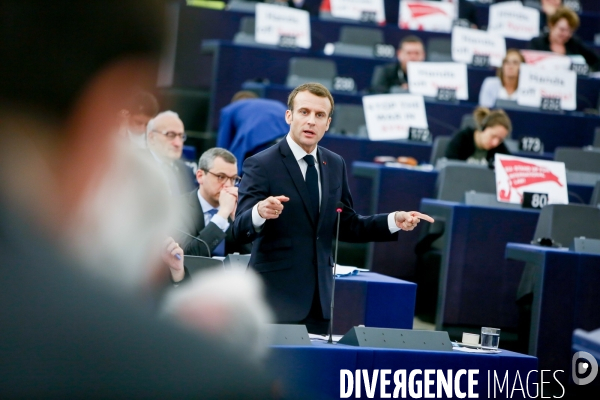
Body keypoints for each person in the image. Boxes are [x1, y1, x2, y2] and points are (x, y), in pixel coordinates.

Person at [0, 2, 272, 398]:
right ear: (112, 103)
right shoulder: (188, 378)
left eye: (234, 178)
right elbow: (188, 246)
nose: (229, 183)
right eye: (222, 176)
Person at [232, 82, 434, 333]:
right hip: (272, 302)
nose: (311, 121)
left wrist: (393, 220)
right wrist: (259, 212)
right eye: (304, 112)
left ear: (328, 123)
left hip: (320, 303)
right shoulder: (261, 164)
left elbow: (347, 224)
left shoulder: (334, 164)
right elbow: (238, 230)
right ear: (289, 116)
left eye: (319, 115)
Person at [178, 148, 251, 257]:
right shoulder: (179, 207)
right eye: (221, 177)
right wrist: (222, 215)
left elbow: (253, 257)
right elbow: (186, 256)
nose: (228, 185)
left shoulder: (239, 207)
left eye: (233, 179)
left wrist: (238, 221)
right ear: (200, 176)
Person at [217, 91, 289, 175]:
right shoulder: (275, 104)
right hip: (287, 140)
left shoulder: (230, 109)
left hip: (258, 141)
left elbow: (222, 147)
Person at [530, 6, 600, 71]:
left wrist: (587, 71)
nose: (566, 34)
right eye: (562, 29)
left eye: (570, 31)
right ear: (551, 25)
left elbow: (596, 61)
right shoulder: (537, 43)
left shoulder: (574, 43)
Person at [147, 110, 196, 195]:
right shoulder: (135, 167)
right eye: (170, 135)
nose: (178, 143)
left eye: (181, 136)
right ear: (152, 137)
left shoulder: (186, 171)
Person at [445, 107, 512, 165]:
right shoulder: (462, 139)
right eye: (493, 136)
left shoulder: (500, 148)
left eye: (500, 140)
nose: (495, 143)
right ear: (483, 128)